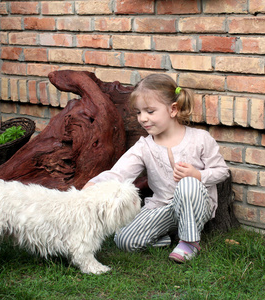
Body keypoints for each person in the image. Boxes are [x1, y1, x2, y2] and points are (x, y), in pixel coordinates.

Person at [83, 74, 229, 263]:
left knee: (188, 184)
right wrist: (93, 184)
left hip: (197, 205)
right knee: (124, 240)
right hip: (163, 208)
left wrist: (198, 175)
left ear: (173, 109)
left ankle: (189, 242)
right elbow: (119, 173)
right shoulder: (144, 147)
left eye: (150, 111)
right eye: (139, 112)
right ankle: (168, 237)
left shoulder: (200, 139)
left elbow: (221, 171)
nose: (143, 118)